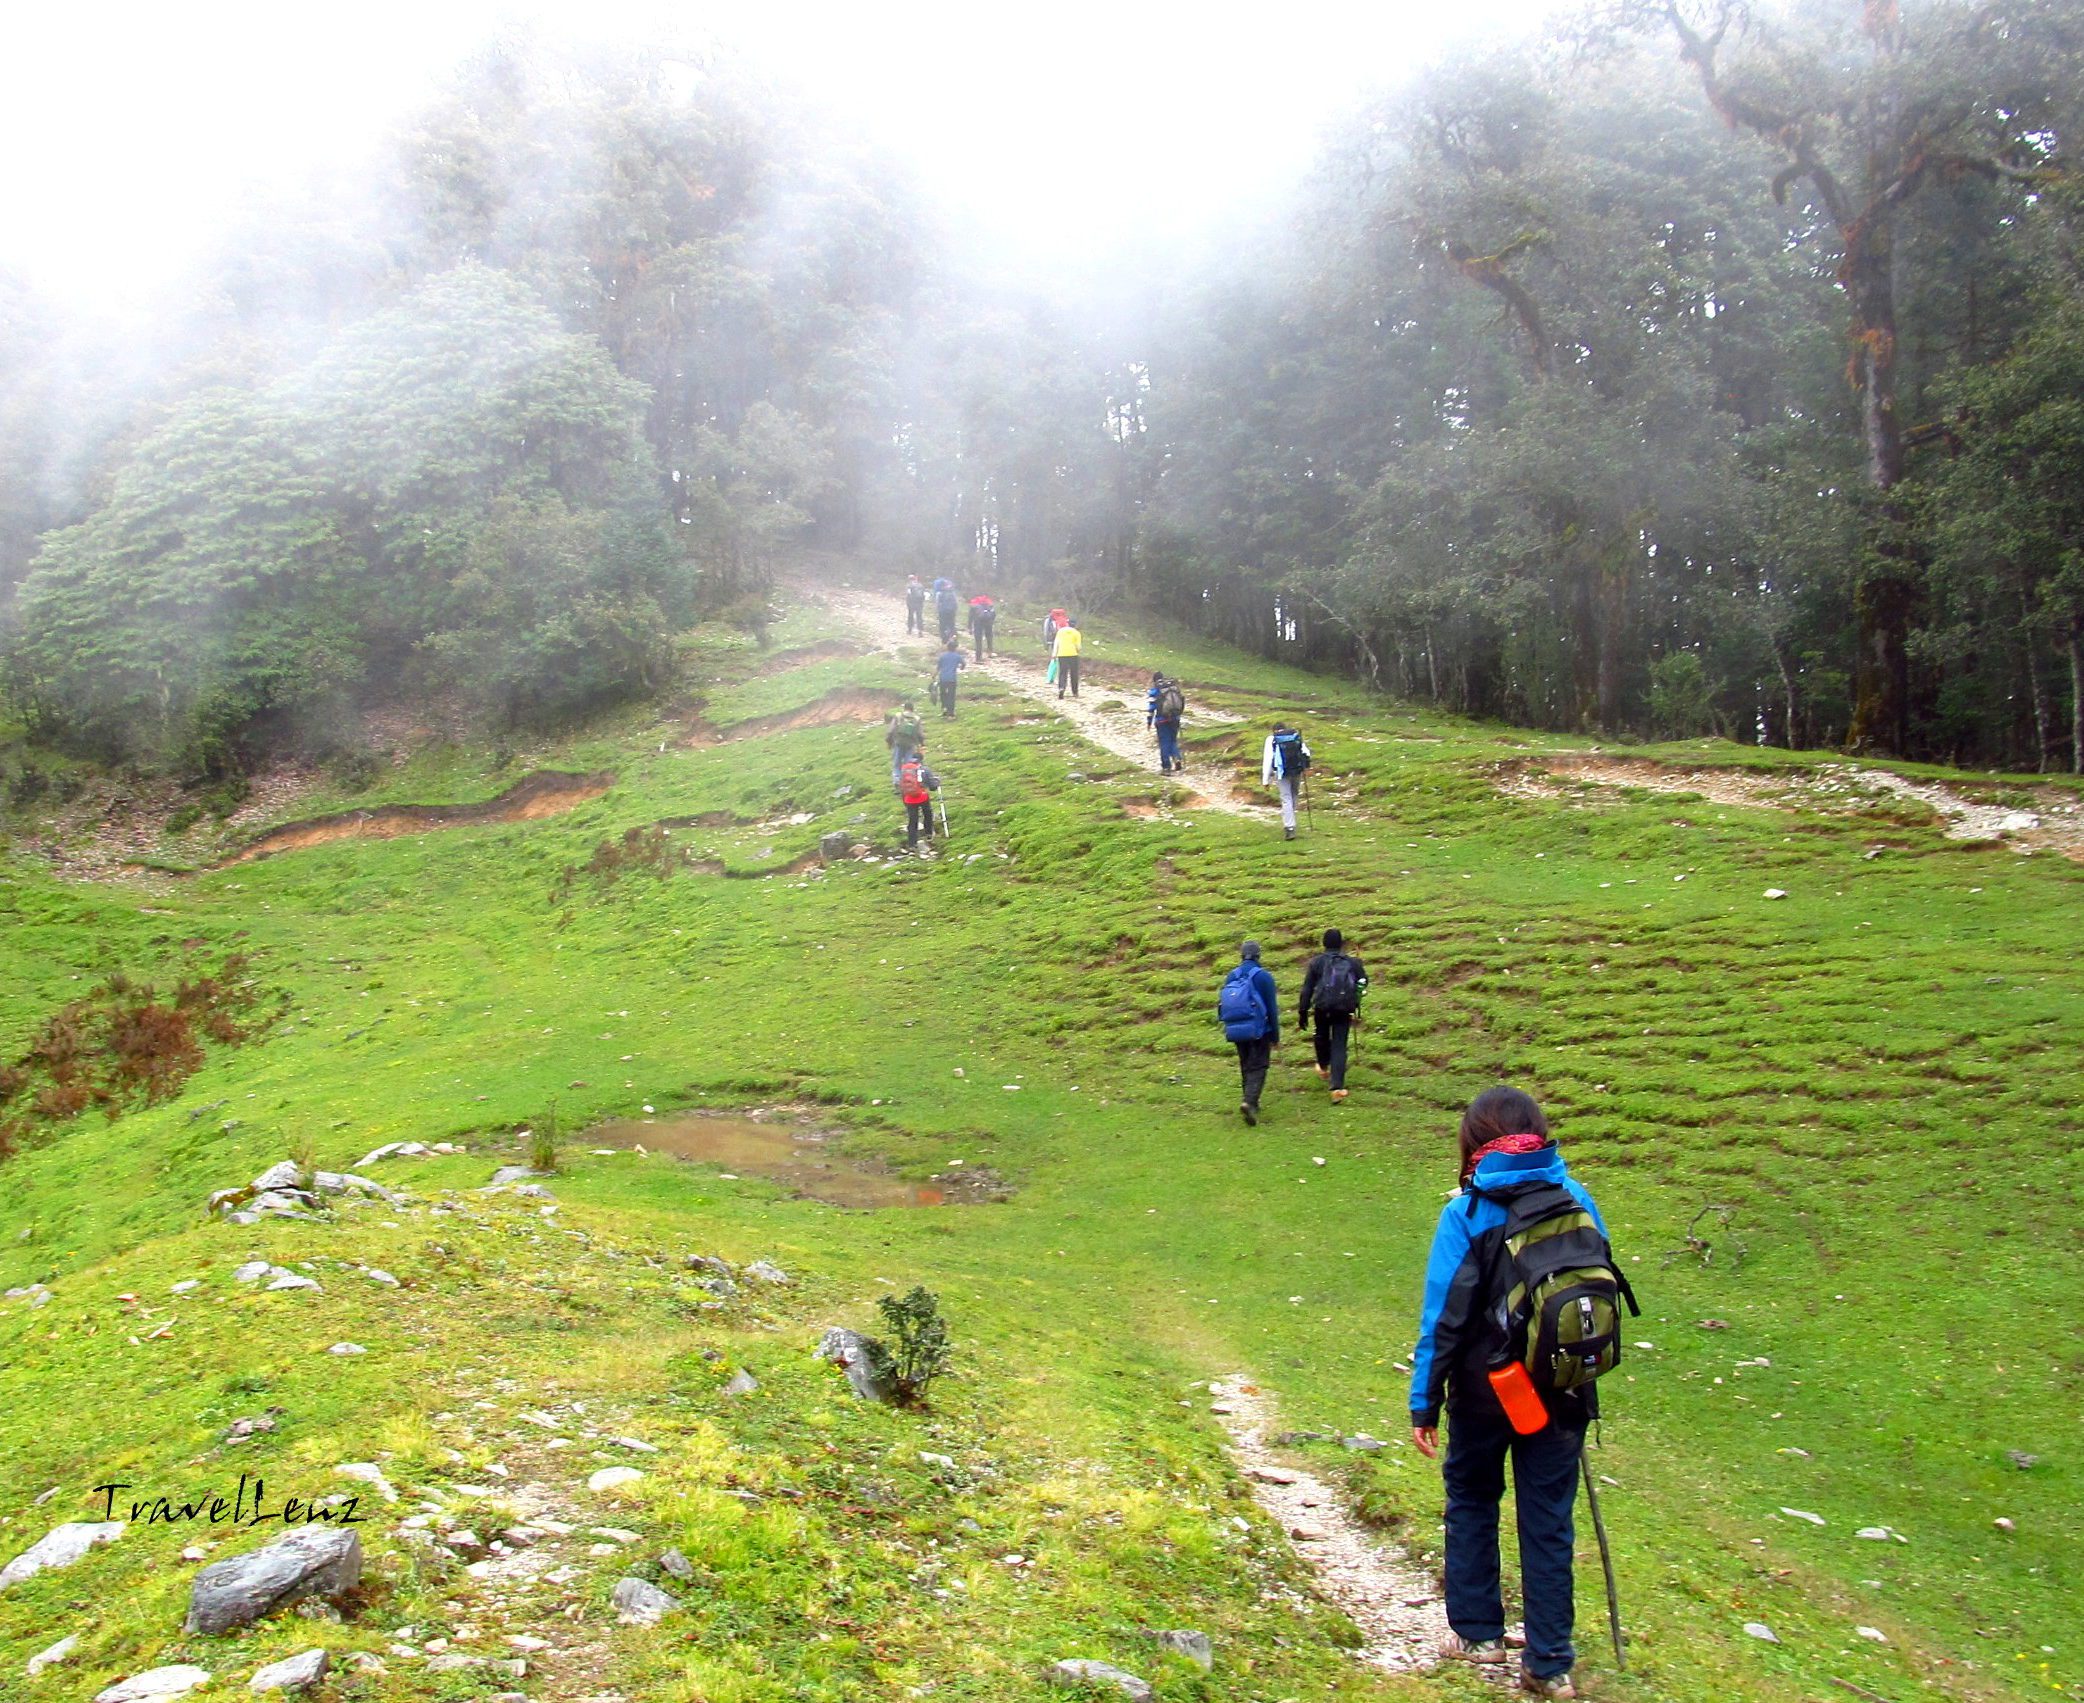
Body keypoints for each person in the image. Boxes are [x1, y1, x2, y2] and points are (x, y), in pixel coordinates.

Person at [1410, 1086, 1614, 1701]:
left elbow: (1443, 1317)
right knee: (1549, 1520)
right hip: (1562, 1393)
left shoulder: (1467, 1214)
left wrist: (1426, 1401)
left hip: (1485, 1393)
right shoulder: (1576, 1198)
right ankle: (1551, 1662)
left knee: (1472, 1496)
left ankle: (1478, 1635)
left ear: (1474, 1145)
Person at [1298, 928, 1368, 1101]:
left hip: (1322, 1007)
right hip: (1344, 1008)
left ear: (1324, 944)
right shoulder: (1353, 963)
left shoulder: (1317, 962)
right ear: (1341, 944)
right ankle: (1337, 1087)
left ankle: (1322, 1066)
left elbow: (1307, 989)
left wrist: (1303, 1012)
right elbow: (1363, 982)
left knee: (1321, 1035)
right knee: (1339, 1044)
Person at [1215, 940, 1280, 1126]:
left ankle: (1250, 1101)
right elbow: (1272, 1009)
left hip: (1236, 1028)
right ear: (1258, 955)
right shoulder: (1263, 977)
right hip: (1259, 1030)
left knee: (1246, 1063)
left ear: (1242, 955)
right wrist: (1275, 1035)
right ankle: (1249, 1102)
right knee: (1259, 1065)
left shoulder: (1231, 976)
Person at [1261, 723, 1311, 839]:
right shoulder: (1294, 735)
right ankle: (1290, 819)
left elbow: (1268, 759)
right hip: (1297, 770)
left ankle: (1289, 827)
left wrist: (1266, 780)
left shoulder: (1272, 739)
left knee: (1286, 797)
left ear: (1274, 730)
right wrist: (1305, 766)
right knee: (1294, 794)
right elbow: (1306, 752)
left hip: (1282, 772)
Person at [897, 753, 937, 852]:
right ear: (921, 760)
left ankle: (912, 844)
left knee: (912, 820)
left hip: (909, 799)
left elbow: (901, 786)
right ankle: (929, 834)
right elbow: (933, 787)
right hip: (922, 797)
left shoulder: (904, 770)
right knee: (927, 813)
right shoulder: (924, 770)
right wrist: (937, 782)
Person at [1147, 672, 1186, 772]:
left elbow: (1151, 708)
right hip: (1175, 718)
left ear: (1154, 680)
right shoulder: (1172, 689)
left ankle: (1166, 767)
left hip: (1162, 720)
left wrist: (1149, 722)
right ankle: (1177, 758)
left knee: (1164, 742)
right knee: (1173, 740)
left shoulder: (1154, 691)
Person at [885, 701, 926, 783]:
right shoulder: (916, 719)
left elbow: (891, 730)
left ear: (904, 708)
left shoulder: (898, 716)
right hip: (910, 744)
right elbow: (920, 733)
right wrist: (922, 744)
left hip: (898, 743)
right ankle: (908, 782)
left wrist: (888, 741)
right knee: (908, 765)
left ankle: (897, 781)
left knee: (897, 764)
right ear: (912, 709)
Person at [934, 638, 968, 718]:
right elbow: (963, 663)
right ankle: (951, 713)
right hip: (952, 679)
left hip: (942, 678)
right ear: (955, 648)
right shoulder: (957, 656)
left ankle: (944, 710)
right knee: (951, 696)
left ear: (947, 647)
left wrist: (934, 675)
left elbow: (938, 667)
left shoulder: (942, 656)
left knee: (943, 695)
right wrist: (961, 668)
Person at [1051, 614, 1083, 699]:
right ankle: (1075, 692)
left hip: (1062, 654)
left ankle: (1061, 688)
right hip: (1073, 655)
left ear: (1067, 623)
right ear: (1075, 624)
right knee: (1074, 673)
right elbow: (1078, 647)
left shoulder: (1060, 631)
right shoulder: (1076, 633)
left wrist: (1054, 654)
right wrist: (1078, 651)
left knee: (1062, 673)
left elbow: (1056, 643)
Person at [968, 593, 997, 659]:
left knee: (978, 640)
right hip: (988, 623)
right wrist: (991, 621)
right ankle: (990, 652)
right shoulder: (989, 603)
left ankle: (978, 657)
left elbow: (970, 617)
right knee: (989, 637)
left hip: (978, 623)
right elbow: (994, 614)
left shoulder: (974, 605)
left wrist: (969, 627)